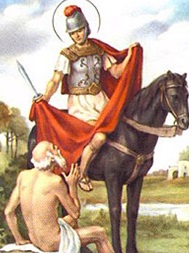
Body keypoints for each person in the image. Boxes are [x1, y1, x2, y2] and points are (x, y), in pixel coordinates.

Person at [2, 141, 151, 253]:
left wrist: (19, 239)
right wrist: (72, 186)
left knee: (67, 222)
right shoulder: (55, 182)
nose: (58, 150)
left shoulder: (24, 176)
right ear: (50, 157)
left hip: (36, 241)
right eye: (55, 149)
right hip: (53, 244)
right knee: (99, 233)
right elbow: (75, 213)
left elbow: (9, 212)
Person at [30, 5, 143, 192]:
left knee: (120, 129)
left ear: (86, 27)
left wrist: (130, 56)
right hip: (80, 105)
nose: (77, 35)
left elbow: (115, 72)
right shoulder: (66, 55)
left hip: (101, 101)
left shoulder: (98, 49)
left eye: (80, 30)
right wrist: (46, 96)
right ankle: (82, 174)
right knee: (99, 137)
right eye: (73, 33)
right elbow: (56, 79)